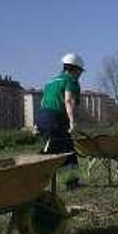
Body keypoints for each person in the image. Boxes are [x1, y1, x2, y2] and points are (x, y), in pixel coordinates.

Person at [37, 53, 84, 190]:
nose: (80, 74)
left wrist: (36, 124)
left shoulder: (50, 81)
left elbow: (43, 102)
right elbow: (68, 101)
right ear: (75, 69)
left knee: (67, 149)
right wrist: (72, 121)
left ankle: (72, 183)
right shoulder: (71, 80)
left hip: (42, 117)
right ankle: (33, 176)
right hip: (55, 118)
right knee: (55, 151)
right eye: (80, 71)